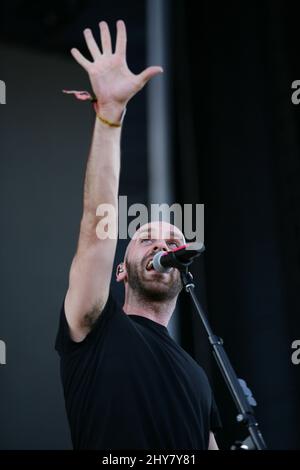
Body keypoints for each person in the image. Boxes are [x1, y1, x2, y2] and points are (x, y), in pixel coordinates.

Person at [55, 20, 221, 450]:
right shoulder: (96, 330)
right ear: (120, 274)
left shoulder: (197, 377)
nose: (164, 246)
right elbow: (97, 227)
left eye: (173, 242)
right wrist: (110, 118)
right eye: (147, 237)